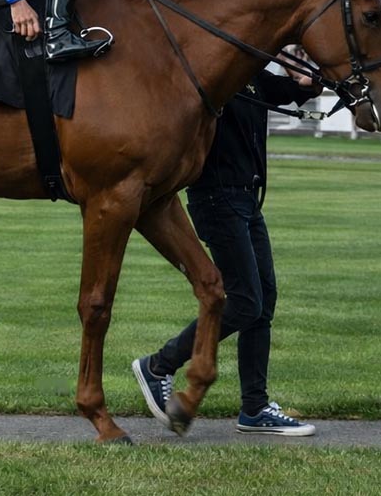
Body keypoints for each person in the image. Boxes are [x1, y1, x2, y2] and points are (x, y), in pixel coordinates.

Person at [131, 68, 321, 437]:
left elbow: (292, 90)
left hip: (247, 198)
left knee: (262, 302)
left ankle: (255, 408)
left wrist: (306, 81)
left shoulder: (251, 75)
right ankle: (159, 365)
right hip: (217, 199)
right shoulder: (217, 72)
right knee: (246, 301)